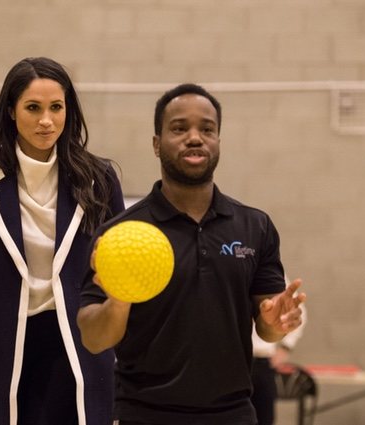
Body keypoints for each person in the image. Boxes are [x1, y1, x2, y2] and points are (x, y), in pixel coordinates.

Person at [77, 83, 307, 425]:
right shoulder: (119, 234)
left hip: (233, 415)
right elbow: (94, 340)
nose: (195, 138)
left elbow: (268, 327)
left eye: (207, 129)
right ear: (157, 144)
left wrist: (276, 325)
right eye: (179, 128)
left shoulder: (254, 227)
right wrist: (118, 301)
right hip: (144, 415)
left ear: (218, 142)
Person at [0, 56, 124, 425]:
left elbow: (118, 275)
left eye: (56, 108)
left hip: (80, 347)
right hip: (3, 352)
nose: (46, 120)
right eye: (33, 108)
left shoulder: (100, 178)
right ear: (10, 111)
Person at [251, 277, 307, 425]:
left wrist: (286, 347)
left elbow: (297, 312)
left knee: (264, 419)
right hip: (229, 362)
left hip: (261, 361)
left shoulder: (270, 271)